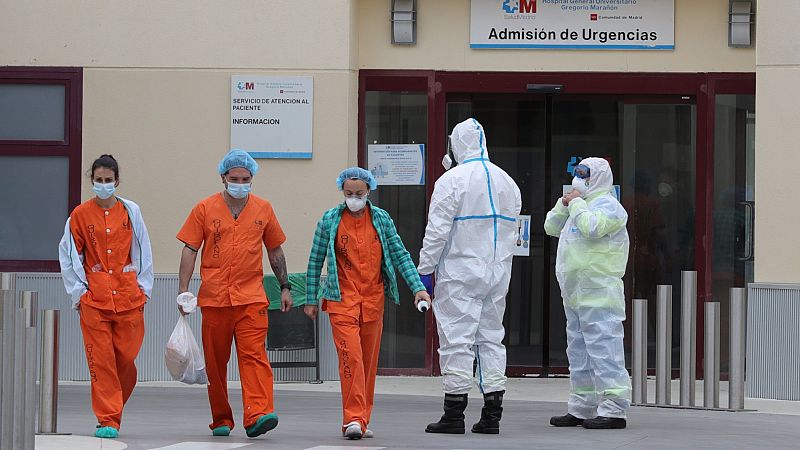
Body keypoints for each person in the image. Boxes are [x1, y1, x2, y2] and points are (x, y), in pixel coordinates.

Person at [305, 167, 432, 440]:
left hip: (372, 301)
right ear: (342, 191)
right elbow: (315, 260)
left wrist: (418, 288)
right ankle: (352, 418)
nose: (354, 198)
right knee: (351, 358)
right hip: (341, 301)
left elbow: (400, 254)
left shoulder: (382, 220)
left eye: (359, 193)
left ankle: (361, 419)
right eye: (349, 193)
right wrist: (310, 298)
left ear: (369, 191)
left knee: (367, 363)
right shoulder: (329, 220)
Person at [176, 149, 293, 438]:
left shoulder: (263, 209)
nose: (240, 182)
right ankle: (221, 418)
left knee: (254, 357)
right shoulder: (204, 208)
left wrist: (285, 287)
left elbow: (275, 250)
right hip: (214, 298)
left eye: (246, 178)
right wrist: (183, 291)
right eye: (234, 178)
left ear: (252, 179)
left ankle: (258, 414)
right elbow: (190, 248)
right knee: (216, 363)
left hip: (251, 297)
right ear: (223, 178)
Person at [418, 118, 522, 435]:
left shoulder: (452, 180)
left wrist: (425, 272)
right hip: (497, 273)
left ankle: (454, 412)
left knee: (456, 341)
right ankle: (492, 414)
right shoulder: (508, 182)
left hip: (460, 272)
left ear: (457, 144)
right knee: (491, 338)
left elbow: (436, 232)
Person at [58, 154, 153, 439]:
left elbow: (143, 249)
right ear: (92, 182)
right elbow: (68, 255)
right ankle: (108, 418)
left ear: (117, 181)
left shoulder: (131, 211)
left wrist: (144, 288)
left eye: (108, 180)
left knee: (125, 358)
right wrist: (78, 294)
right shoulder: (79, 215)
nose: (103, 185)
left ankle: (113, 404)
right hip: (94, 300)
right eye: (98, 181)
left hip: (129, 297)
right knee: (101, 360)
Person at [544, 157, 631, 430]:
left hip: (600, 292)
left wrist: (577, 203)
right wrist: (564, 203)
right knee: (579, 351)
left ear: (599, 178)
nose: (579, 179)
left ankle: (614, 409)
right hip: (575, 293)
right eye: (578, 173)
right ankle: (581, 407)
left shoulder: (611, 207)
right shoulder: (578, 205)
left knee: (605, 350)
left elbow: (592, 228)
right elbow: (550, 227)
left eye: (585, 175)